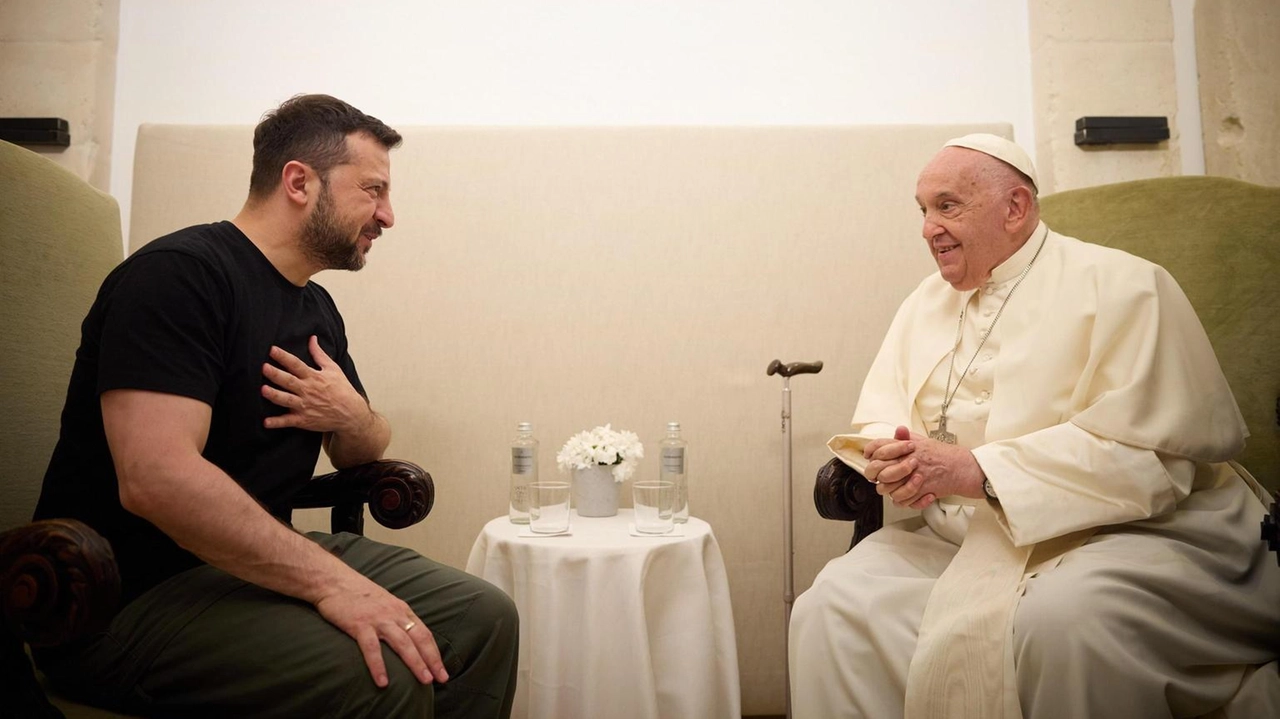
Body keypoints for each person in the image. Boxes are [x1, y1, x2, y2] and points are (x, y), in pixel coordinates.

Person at [31, 94, 518, 718]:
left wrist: (351, 415)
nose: (388, 216)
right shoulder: (179, 276)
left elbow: (364, 447)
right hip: (125, 596)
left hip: (249, 564)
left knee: (486, 616)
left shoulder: (315, 308)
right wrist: (333, 583)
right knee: (383, 674)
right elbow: (156, 478)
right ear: (298, 181)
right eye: (373, 190)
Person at [788, 133, 1280, 718]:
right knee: (833, 605)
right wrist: (892, 457)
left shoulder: (1125, 286)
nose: (927, 229)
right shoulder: (925, 301)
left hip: (1128, 536)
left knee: (1066, 622)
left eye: (947, 206)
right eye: (922, 210)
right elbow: (882, 416)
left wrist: (978, 471)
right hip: (967, 540)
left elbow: (1153, 464)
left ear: (1015, 208)